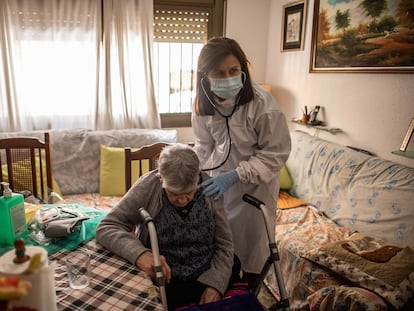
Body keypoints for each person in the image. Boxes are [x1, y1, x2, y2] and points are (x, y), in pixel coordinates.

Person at [192, 37, 291, 288]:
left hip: (254, 190)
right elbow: (205, 145)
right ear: (205, 76)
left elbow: (275, 154)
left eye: (233, 71)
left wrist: (236, 175)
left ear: (243, 69)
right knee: (220, 249)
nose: (227, 78)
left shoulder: (263, 105)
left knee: (252, 253)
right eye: (219, 73)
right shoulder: (203, 103)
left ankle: (250, 295)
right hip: (219, 188)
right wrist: (189, 168)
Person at [95, 143, 235, 310]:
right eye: (174, 193)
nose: (183, 200)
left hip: (206, 272)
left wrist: (215, 284)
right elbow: (107, 226)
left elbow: (225, 244)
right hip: (165, 276)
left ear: (198, 176)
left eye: (190, 192)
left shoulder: (210, 187)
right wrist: (141, 254)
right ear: (160, 178)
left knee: (235, 269)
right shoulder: (148, 186)